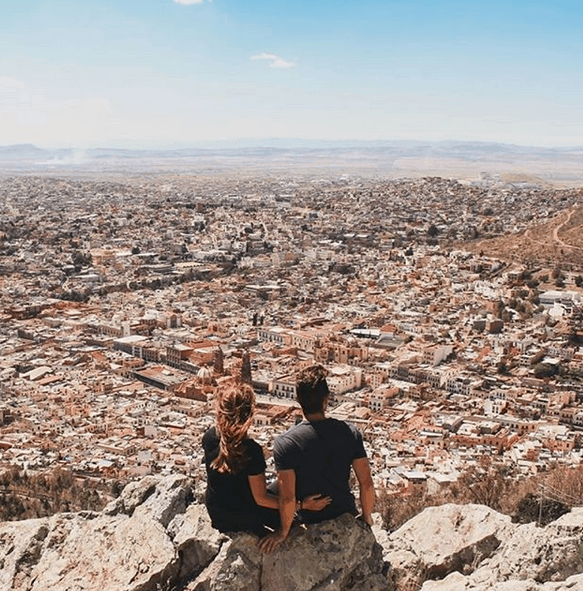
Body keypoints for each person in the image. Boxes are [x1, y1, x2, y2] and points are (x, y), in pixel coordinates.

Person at [259, 364, 375, 553]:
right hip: (342, 509)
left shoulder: (285, 443)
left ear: (298, 400)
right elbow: (366, 483)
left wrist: (283, 532)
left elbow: (287, 498)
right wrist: (367, 517)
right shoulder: (349, 432)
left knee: (267, 492)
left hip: (309, 516)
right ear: (326, 400)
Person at [202, 382, 330, 537]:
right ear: (250, 415)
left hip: (217, 514)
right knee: (292, 484)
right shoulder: (251, 451)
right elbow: (261, 499)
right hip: (242, 518)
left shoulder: (209, 437)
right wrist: (300, 505)